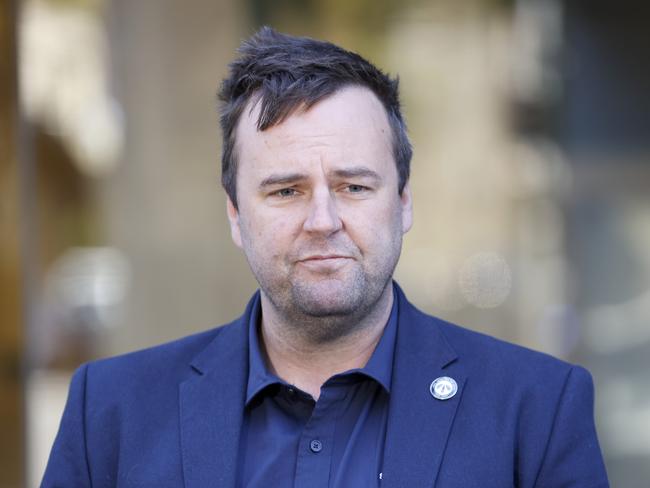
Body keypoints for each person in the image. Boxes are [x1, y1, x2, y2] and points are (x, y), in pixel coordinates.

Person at [42, 27, 609, 487]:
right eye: (285, 190)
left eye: (354, 187)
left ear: (404, 202)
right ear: (235, 215)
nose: (323, 220)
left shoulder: (537, 412)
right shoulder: (110, 414)